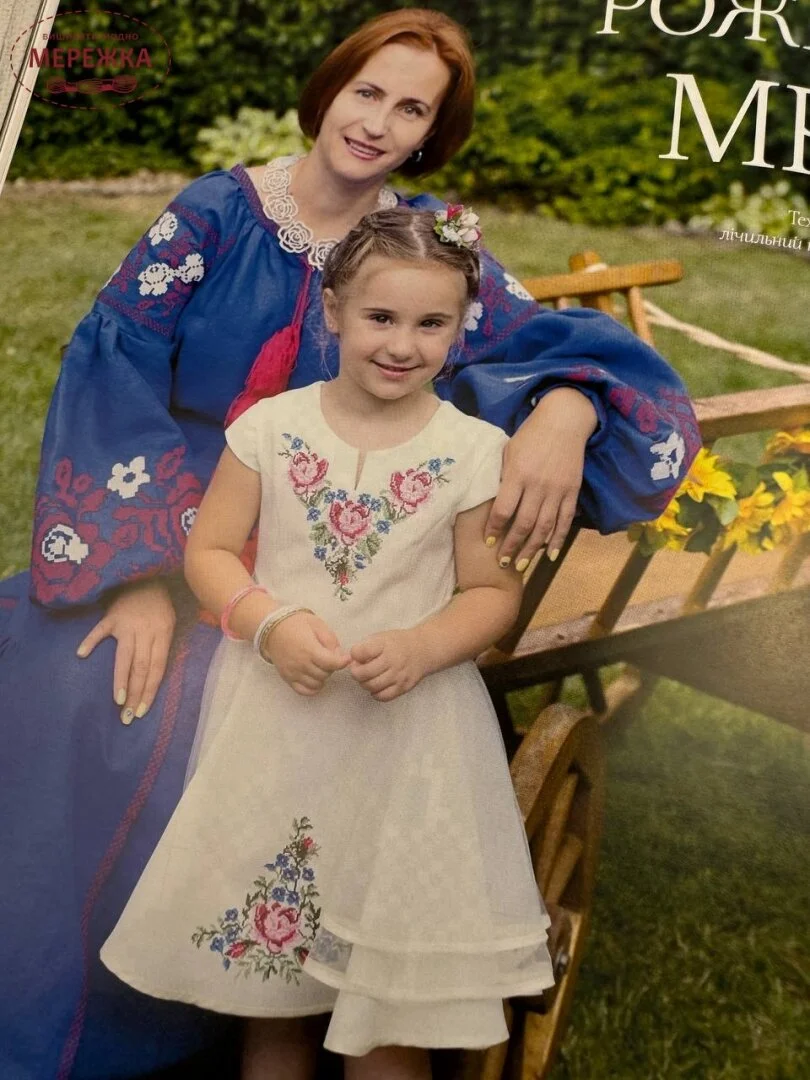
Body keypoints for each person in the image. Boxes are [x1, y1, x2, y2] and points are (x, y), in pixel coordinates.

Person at [0, 9, 700, 1079]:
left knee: (222, 717)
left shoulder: (426, 245)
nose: (378, 122)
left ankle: (272, 981)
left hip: (344, 560)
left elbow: (564, 349)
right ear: (329, 89)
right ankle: (83, 1012)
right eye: (367, 91)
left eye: (411, 108)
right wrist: (134, 580)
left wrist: (566, 408)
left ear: (432, 134)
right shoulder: (213, 216)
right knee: (80, 690)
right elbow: (114, 371)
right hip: (184, 528)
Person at [101, 204, 554, 1080]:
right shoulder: (271, 429)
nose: (402, 344)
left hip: (406, 737)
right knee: (271, 1001)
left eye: (432, 325)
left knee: (385, 1019)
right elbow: (209, 553)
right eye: (381, 317)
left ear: (460, 330)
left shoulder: (473, 451)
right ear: (335, 312)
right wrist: (267, 624)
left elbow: (494, 592)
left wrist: (423, 646)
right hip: (277, 726)